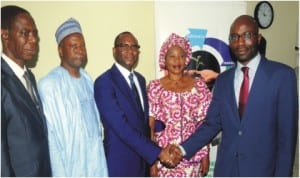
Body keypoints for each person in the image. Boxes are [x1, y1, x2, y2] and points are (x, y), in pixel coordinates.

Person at [164, 15, 298, 176]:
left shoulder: (282, 76)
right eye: (234, 37)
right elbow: (211, 125)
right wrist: (182, 149)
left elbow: (287, 139)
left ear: (258, 38)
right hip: (227, 170)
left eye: (247, 35)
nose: (240, 42)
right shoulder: (223, 80)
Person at [93, 31, 178, 176]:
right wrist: (158, 152)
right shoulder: (104, 82)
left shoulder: (140, 80)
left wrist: (170, 129)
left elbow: (142, 122)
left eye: (134, 47)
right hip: (119, 166)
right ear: (114, 51)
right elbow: (121, 127)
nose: (130, 51)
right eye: (124, 46)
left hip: (142, 165)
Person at [37, 18, 108, 176]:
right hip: (69, 168)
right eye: (74, 46)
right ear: (60, 50)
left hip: (96, 165)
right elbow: (52, 141)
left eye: (82, 45)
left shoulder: (87, 79)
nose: (80, 50)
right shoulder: (49, 85)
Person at [147, 33, 212, 177]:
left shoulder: (200, 87)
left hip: (192, 158)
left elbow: (205, 125)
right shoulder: (154, 87)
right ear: (165, 58)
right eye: (172, 56)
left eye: (181, 56)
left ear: (187, 58)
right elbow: (150, 128)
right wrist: (152, 162)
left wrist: (205, 156)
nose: (177, 61)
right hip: (164, 160)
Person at [1, 5, 52, 176]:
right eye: (25, 33)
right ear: (5, 35)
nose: (33, 40)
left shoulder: (29, 77)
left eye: (35, 34)